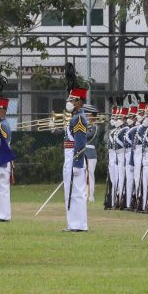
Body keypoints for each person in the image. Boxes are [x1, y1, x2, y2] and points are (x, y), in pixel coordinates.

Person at [62, 87, 88, 232]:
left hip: (74, 158)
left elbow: (80, 143)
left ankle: (78, 225)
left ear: (79, 102)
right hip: (69, 157)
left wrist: (77, 164)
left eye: (72, 100)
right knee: (70, 191)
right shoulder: (75, 117)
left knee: (76, 192)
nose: (69, 102)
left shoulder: (78, 118)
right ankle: (74, 223)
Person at [83, 104, 99, 202]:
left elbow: (88, 135)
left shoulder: (94, 127)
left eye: (87, 115)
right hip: (83, 152)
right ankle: (85, 194)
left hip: (91, 153)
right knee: (84, 175)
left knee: (91, 174)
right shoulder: (86, 126)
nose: (86, 117)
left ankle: (91, 195)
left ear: (91, 116)